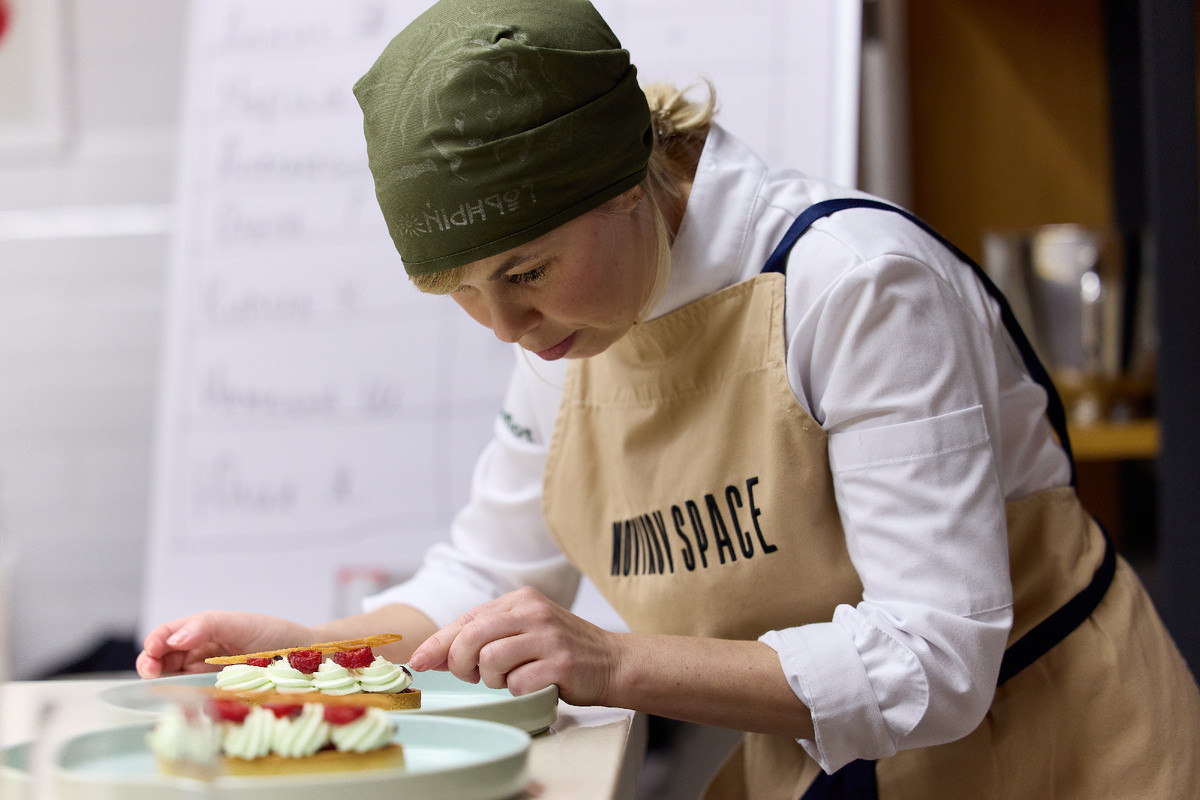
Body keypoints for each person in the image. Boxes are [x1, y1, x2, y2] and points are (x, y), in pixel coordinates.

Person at [137, 0, 1200, 796]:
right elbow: (488, 573)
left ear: (625, 178)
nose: (503, 325)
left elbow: (936, 660)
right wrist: (312, 654)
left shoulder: (855, 286)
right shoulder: (569, 332)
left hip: (1059, 754)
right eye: (460, 291)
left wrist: (612, 660)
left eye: (525, 271)